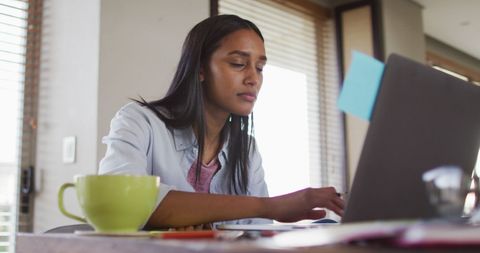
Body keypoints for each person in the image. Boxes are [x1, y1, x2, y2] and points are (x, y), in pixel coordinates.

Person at [99, 14, 344, 229]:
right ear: (200, 69)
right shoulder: (139, 121)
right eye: (238, 63)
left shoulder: (247, 149)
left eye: (259, 68)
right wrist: (268, 205)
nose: (253, 79)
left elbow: (257, 233)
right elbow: (122, 202)